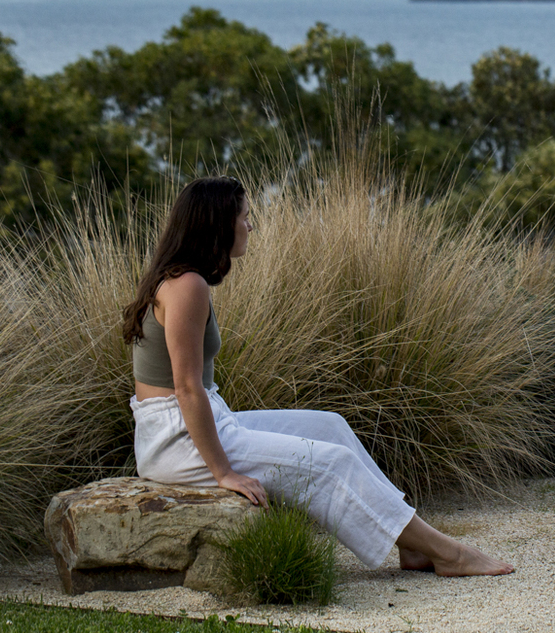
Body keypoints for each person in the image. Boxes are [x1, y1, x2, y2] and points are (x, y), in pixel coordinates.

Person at [121, 176, 512, 577]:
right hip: (176, 440)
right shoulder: (187, 285)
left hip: (197, 422)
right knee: (331, 464)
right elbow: (187, 389)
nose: (250, 225)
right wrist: (224, 472)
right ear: (219, 224)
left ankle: (410, 545)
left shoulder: (181, 278)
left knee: (331, 427)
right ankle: (448, 553)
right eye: (245, 216)